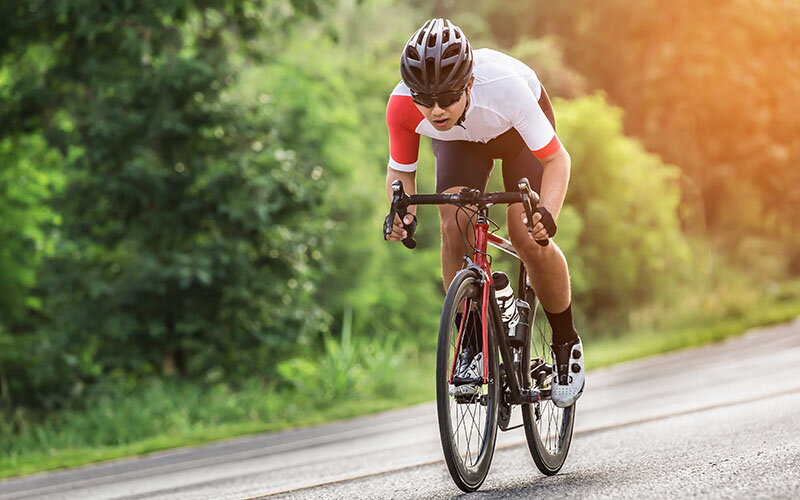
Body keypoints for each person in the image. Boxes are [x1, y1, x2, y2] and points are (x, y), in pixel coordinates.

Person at [383, 18, 583, 407]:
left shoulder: (503, 88)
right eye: (424, 99)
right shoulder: (404, 107)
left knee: (526, 232)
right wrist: (400, 214)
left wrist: (548, 213)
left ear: (469, 83)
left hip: (516, 136)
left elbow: (558, 159)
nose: (436, 110)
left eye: (447, 97)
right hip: (460, 143)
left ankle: (565, 341)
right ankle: (471, 342)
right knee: (453, 219)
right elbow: (400, 174)